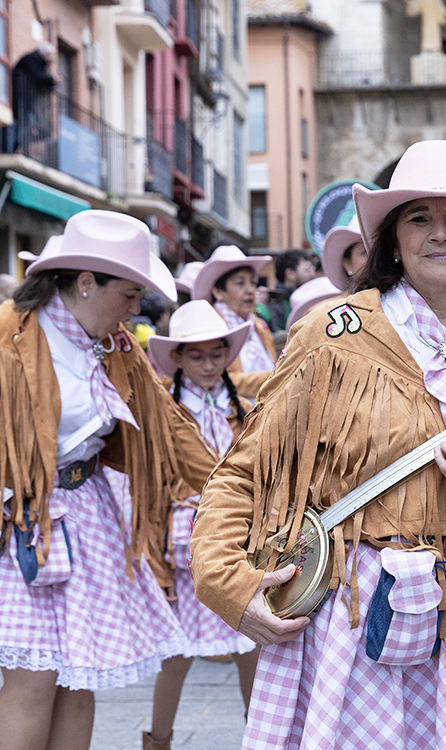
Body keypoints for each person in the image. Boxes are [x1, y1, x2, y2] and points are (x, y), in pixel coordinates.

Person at [189, 140, 446, 749]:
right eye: (418, 217)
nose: (440, 234)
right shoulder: (329, 336)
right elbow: (243, 471)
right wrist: (230, 586)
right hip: (349, 626)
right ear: (392, 239)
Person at [0, 210, 220, 750]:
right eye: (128, 293)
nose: (136, 308)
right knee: (32, 682)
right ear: (84, 282)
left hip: (88, 514)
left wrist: (231, 489)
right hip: (23, 518)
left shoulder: (118, 347)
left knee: (82, 675)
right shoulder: (11, 333)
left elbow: (170, 432)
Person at [140, 300, 259, 750]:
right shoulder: (165, 416)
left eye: (216, 355)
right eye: (196, 356)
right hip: (182, 543)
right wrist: (154, 560)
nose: (208, 365)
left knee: (251, 643)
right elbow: (150, 491)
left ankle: (260, 738)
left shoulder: (245, 408)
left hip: (241, 539)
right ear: (177, 358)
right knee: (176, 654)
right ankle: (159, 740)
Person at [191, 246, 276, 398]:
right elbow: (219, 381)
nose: (250, 290)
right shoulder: (208, 327)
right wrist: (276, 378)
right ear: (217, 291)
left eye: (252, 282)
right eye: (240, 283)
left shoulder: (258, 326)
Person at [5, 43, 57, 154]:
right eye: (49, 54)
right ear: (45, 53)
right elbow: (37, 76)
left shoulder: (38, 62)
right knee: (23, 123)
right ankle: (11, 147)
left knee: (28, 123)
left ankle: (16, 146)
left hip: (25, 100)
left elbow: (40, 79)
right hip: (20, 98)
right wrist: (51, 79)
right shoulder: (32, 59)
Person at [265, 250, 318, 333]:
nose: (313, 274)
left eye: (313, 269)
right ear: (290, 274)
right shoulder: (275, 306)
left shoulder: (313, 298)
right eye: (307, 269)